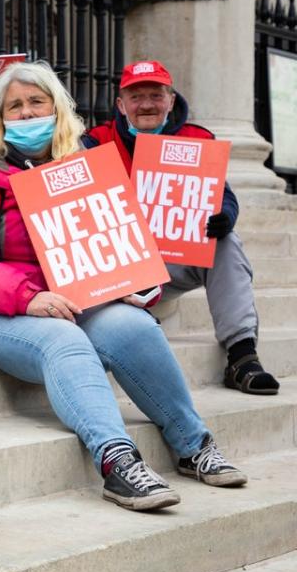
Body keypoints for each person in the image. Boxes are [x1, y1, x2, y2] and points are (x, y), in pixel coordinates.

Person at [0, 61, 246, 512]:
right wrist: (30, 297)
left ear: (57, 110)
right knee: (66, 341)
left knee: (135, 326)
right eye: (15, 106)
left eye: (37, 102)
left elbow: (123, 244)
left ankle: (192, 444)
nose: (27, 114)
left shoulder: (86, 168)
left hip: (77, 297)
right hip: (1, 313)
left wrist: (134, 285)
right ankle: (118, 461)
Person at [83, 60, 279, 395]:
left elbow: (224, 197)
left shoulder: (197, 139)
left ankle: (242, 355)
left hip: (171, 261)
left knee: (227, 241)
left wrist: (223, 216)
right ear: (120, 104)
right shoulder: (94, 142)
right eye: (136, 96)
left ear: (171, 100)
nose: (146, 104)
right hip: (119, 269)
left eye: (156, 95)